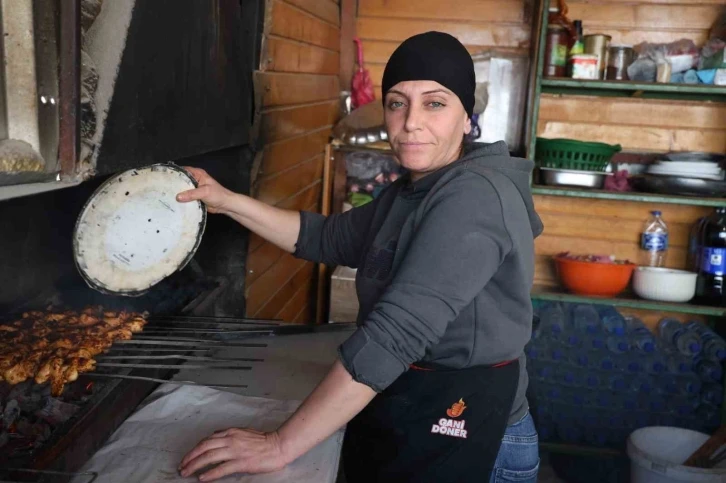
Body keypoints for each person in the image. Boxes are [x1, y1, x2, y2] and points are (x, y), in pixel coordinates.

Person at [177, 31, 543, 483]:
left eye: (434, 103)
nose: (410, 122)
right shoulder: (410, 191)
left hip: (476, 431)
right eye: (396, 102)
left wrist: (280, 445)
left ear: (467, 118)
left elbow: (397, 334)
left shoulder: (476, 195)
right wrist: (228, 201)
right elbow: (323, 237)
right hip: (413, 404)